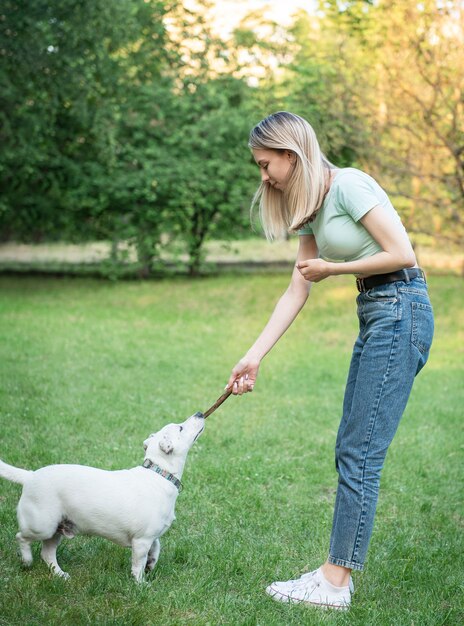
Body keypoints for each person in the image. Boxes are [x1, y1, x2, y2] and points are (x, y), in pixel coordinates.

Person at [226, 111, 434, 611]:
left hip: (402, 307)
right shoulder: (313, 205)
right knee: (352, 446)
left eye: (265, 163)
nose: (263, 176)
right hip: (379, 311)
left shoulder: (350, 186)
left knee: (359, 451)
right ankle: (335, 576)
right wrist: (252, 357)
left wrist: (335, 268)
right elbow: (298, 286)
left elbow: (403, 252)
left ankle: (334, 584)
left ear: (291, 154)